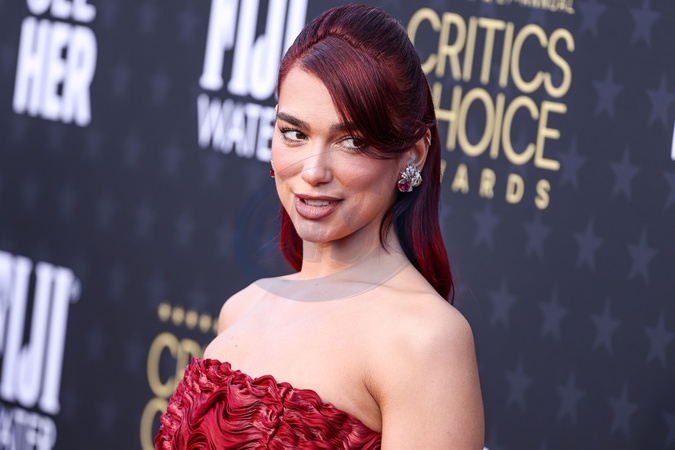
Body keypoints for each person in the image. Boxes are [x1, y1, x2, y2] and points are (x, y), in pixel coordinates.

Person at [156, 4, 484, 449]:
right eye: (294, 133)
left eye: (351, 141)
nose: (313, 171)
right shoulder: (242, 308)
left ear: (413, 156)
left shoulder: (425, 339)